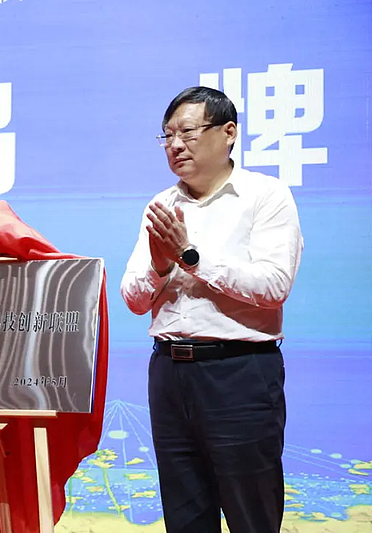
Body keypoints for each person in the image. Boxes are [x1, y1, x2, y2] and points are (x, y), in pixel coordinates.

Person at [120, 86, 303, 533]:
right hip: (169, 373)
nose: (175, 145)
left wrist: (190, 256)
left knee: (251, 515)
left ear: (228, 133)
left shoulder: (266, 195)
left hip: (239, 373)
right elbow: (134, 299)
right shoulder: (161, 206)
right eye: (167, 136)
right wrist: (161, 265)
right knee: (184, 515)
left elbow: (274, 286)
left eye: (187, 132)